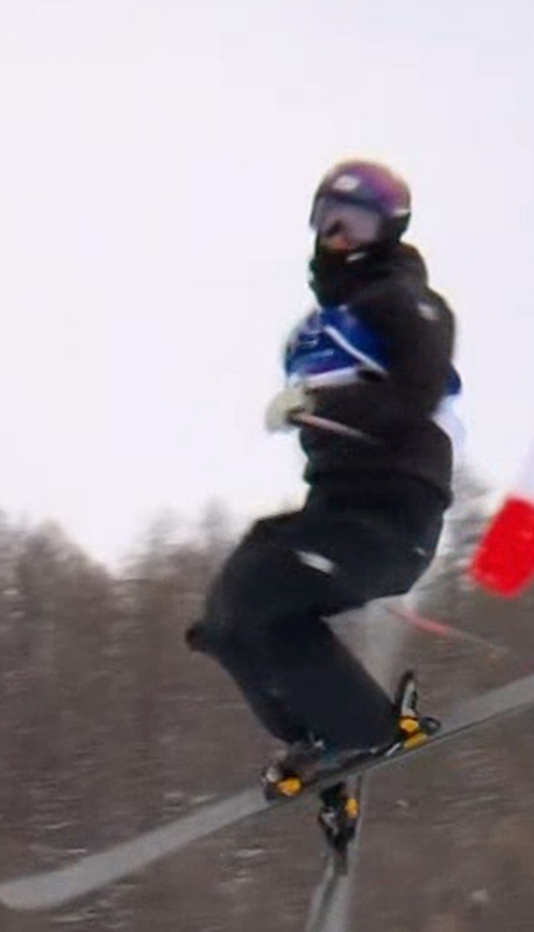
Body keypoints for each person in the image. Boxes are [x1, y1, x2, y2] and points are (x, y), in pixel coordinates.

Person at [185, 158, 462, 839]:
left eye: (355, 223)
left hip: (393, 518)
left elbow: (414, 394)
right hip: (334, 512)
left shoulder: (408, 303)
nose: (338, 237)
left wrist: (318, 403)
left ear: (389, 229)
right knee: (229, 614)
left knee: (262, 585)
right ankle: (317, 737)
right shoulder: (315, 328)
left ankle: (362, 730)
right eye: (327, 222)